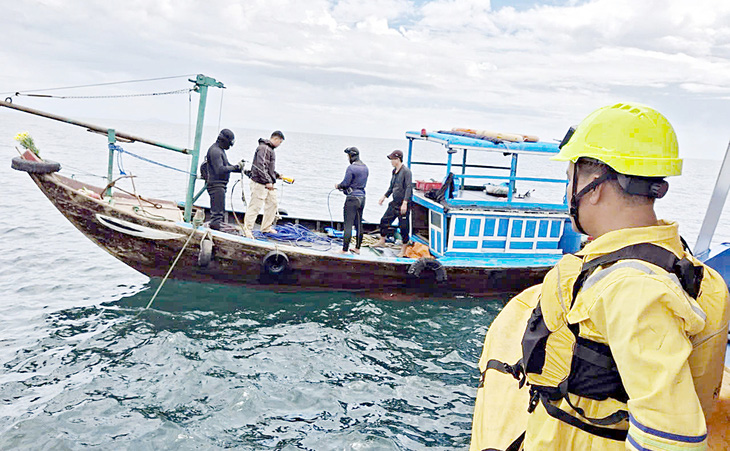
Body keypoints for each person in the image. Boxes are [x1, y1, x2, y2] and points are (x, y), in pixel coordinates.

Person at [470, 102, 729, 450]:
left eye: (569, 179)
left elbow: (671, 436)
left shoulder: (632, 289)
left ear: (594, 185)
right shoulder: (679, 266)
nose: (567, 192)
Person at [243, 130, 285, 238]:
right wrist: (267, 181)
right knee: (255, 206)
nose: (279, 145)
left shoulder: (270, 150)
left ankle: (266, 227)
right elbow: (260, 166)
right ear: (275, 139)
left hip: (267, 183)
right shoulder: (264, 148)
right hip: (259, 183)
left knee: (273, 203)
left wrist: (276, 175)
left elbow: (268, 168)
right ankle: (247, 229)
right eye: (280, 142)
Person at [375, 150, 412, 256]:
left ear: (398, 159)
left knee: (403, 226)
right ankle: (382, 241)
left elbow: (409, 188)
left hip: (404, 203)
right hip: (394, 202)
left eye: (392, 159)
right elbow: (392, 187)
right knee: (384, 220)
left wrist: (405, 202)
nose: (391, 162)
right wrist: (384, 196)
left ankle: (404, 249)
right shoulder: (394, 171)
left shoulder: (406, 172)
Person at [204, 129, 241, 231]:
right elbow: (220, 170)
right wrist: (234, 167)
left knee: (220, 211)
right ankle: (215, 235)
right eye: (230, 144)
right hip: (215, 186)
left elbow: (227, 166)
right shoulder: (215, 151)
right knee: (217, 214)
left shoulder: (220, 150)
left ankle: (216, 229)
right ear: (224, 141)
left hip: (220, 186)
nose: (230, 147)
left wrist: (240, 169)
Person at [335, 147, 369, 254]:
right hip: (362, 198)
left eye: (348, 156)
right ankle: (357, 248)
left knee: (348, 224)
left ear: (351, 156)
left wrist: (338, 186)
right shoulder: (365, 167)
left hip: (352, 199)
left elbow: (345, 184)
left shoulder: (351, 168)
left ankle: (344, 250)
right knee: (359, 223)